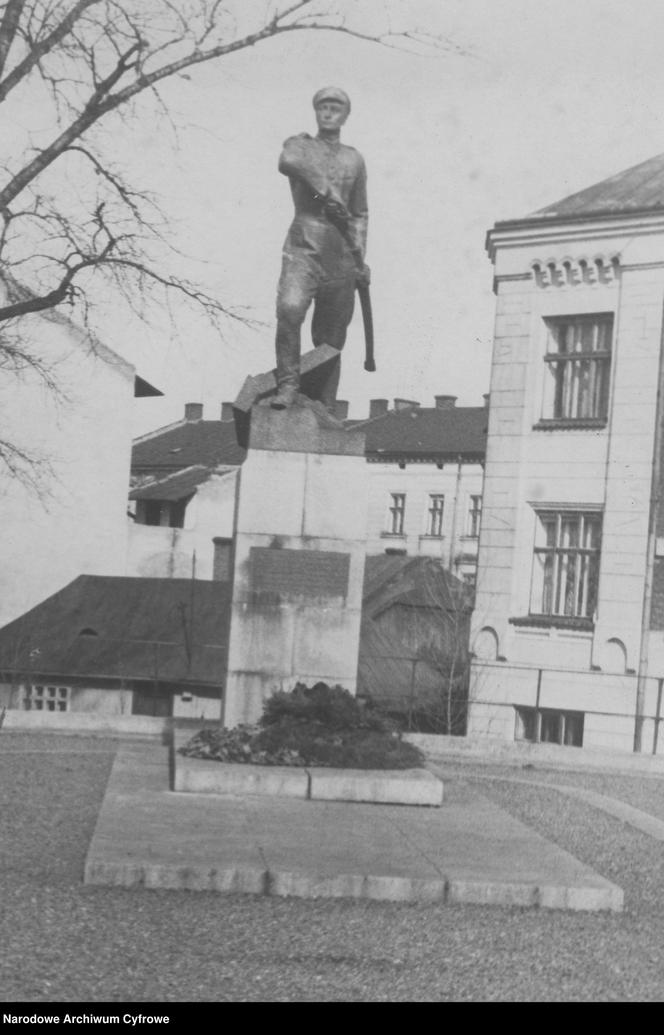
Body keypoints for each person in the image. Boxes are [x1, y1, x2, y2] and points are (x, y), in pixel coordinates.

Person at [271, 86, 369, 411]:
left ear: (345, 114)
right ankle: (287, 384)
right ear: (315, 111)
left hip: (340, 253)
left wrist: (360, 259)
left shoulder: (354, 158)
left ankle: (325, 402)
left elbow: (360, 212)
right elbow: (288, 161)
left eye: (335, 107)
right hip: (304, 243)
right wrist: (326, 191)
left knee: (332, 335)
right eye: (323, 107)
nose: (328, 113)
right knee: (289, 310)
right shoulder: (300, 145)